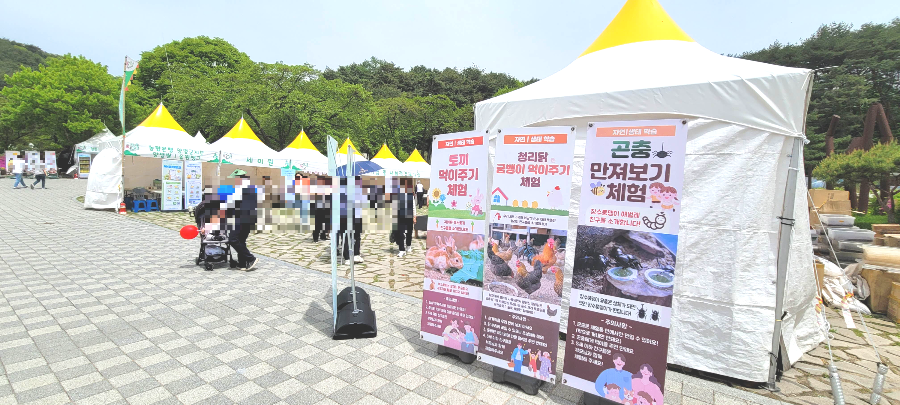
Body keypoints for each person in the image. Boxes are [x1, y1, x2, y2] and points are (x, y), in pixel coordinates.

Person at [225, 169, 259, 271]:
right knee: (241, 240)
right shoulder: (252, 187)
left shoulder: (239, 189)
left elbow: (230, 204)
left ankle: (251, 258)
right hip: (250, 218)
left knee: (233, 239)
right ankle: (242, 263)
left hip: (241, 218)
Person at [394, 178, 416, 258]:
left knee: (409, 232)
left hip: (409, 215)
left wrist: (414, 216)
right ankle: (402, 250)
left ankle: (408, 245)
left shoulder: (410, 195)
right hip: (400, 216)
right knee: (400, 233)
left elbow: (413, 206)